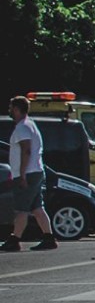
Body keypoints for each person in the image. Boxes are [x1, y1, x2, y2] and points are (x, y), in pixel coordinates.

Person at [3, 96, 57, 251]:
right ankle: (49, 238)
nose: (9, 111)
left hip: (28, 173)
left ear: (17, 109)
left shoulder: (23, 127)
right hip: (36, 172)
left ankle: (14, 240)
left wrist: (22, 174)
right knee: (37, 209)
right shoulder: (30, 125)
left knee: (22, 209)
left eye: (11, 108)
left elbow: (26, 150)